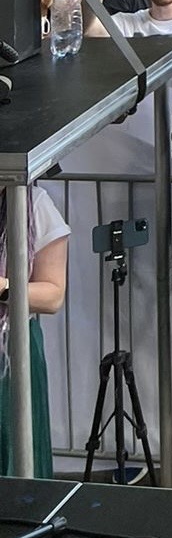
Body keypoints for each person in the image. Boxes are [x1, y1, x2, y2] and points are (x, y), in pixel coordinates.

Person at [0, 184, 69, 477]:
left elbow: (53, 295)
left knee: (13, 455)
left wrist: (3, 287)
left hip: (11, 352)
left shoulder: (34, 203)